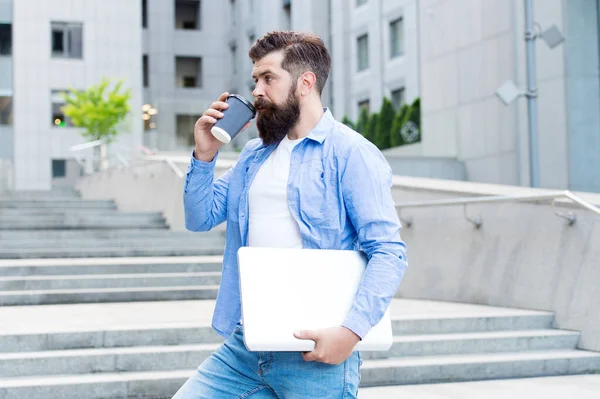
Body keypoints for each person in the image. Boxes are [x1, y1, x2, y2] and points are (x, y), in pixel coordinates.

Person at [175, 31, 407, 399]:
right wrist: (205, 154)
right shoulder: (255, 155)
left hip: (315, 351)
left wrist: (350, 333)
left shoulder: (351, 153)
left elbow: (389, 251)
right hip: (246, 344)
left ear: (305, 83)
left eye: (268, 78)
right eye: (255, 80)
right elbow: (199, 217)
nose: (257, 91)